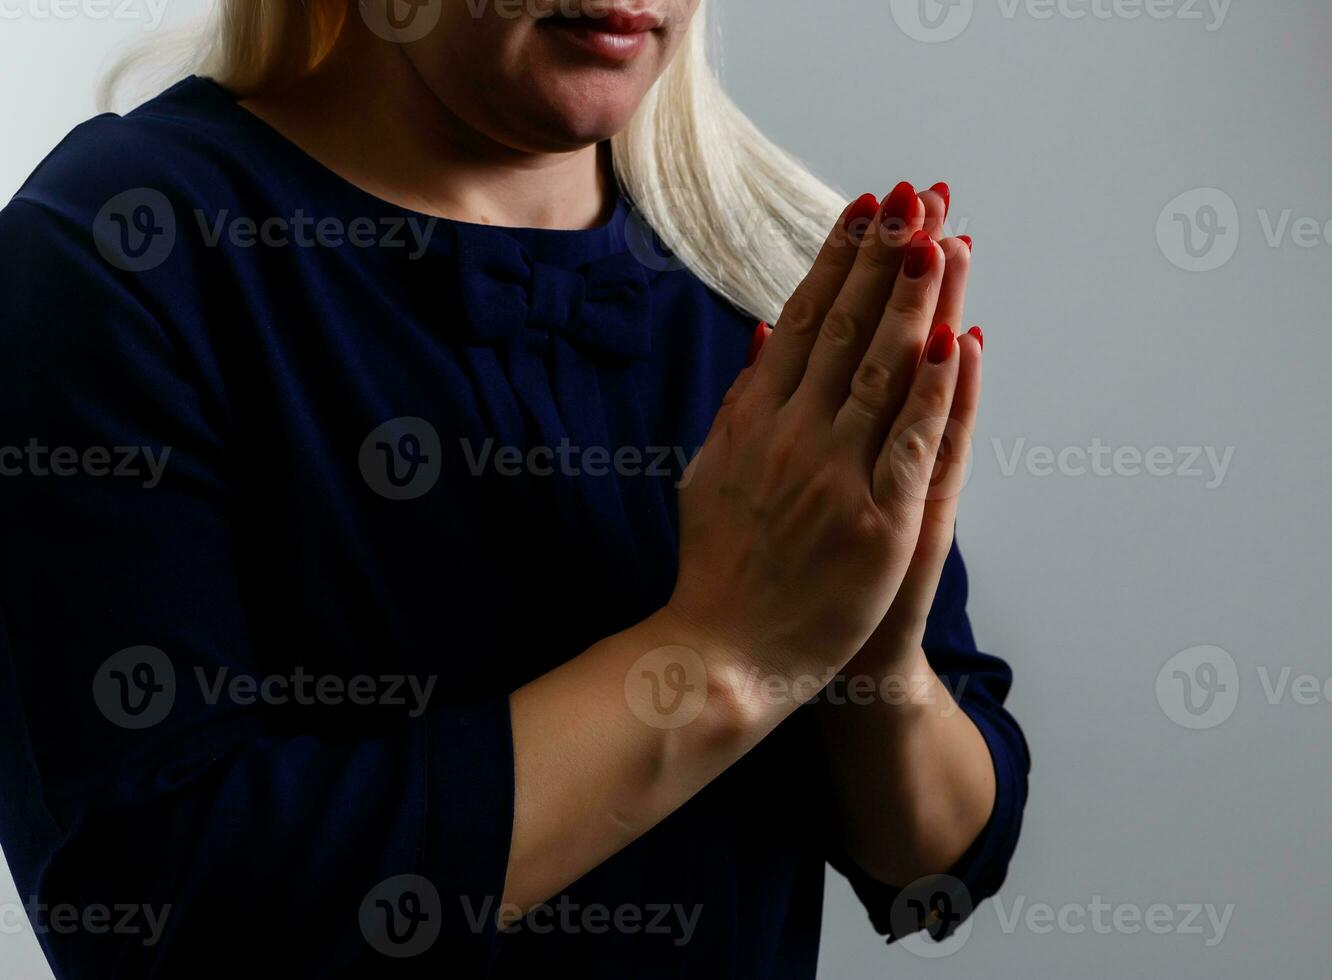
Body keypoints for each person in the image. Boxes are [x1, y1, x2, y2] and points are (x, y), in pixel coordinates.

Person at [0, 1, 1028, 975]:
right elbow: (156, 916)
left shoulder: (760, 268)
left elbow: (932, 871)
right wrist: (726, 653)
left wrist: (873, 657)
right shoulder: (115, 249)